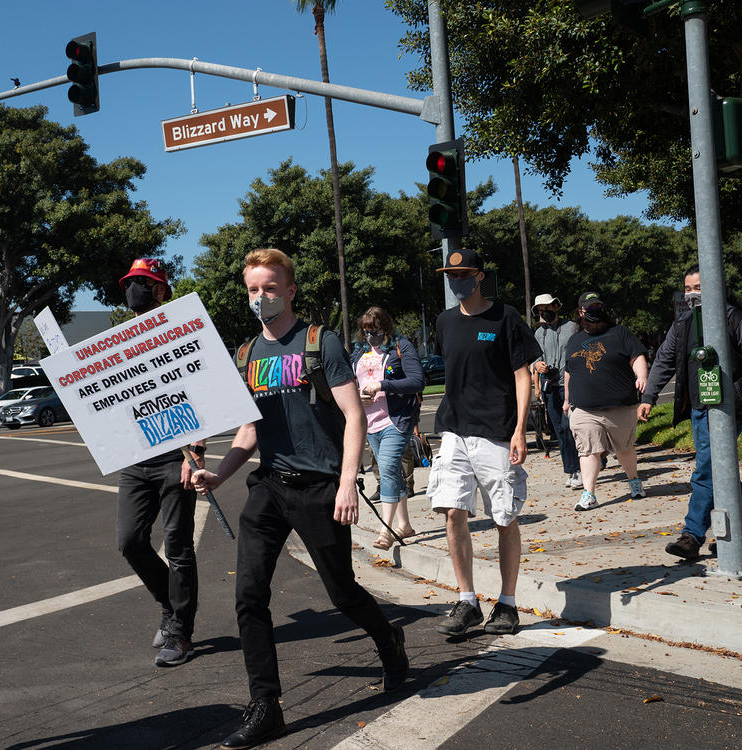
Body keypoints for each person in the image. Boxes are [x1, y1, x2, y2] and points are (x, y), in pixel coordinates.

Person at [192, 249, 409, 749]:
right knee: (249, 596)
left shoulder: (319, 342)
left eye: (269, 288)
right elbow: (249, 428)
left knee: (343, 593)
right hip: (269, 486)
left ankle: (388, 639)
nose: (260, 297)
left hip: (320, 487)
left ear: (289, 291)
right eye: (252, 289)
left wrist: (346, 482)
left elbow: (354, 416)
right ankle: (266, 705)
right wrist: (221, 473)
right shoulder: (246, 354)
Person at [427, 249, 542, 638]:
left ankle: (507, 605)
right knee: (453, 513)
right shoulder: (444, 322)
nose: (455, 280)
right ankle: (467, 601)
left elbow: (521, 375)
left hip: (496, 431)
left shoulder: (505, 317)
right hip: (455, 432)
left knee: (504, 518)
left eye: (462, 274)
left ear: (479, 276)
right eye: (449, 274)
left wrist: (519, 429)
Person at [115, 258, 204, 667]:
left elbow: (204, 392)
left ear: (162, 289)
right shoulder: (118, 341)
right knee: (130, 541)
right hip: (136, 458)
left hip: (176, 457)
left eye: (144, 282)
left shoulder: (180, 331)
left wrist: (196, 453)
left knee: (180, 547)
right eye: (131, 282)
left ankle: (180, 633)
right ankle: (171, 606)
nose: (135, 289)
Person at [638, 267, 742, 560]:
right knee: (713, 470)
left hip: (731, 408)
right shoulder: (682, 325)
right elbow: (664, 361)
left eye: (698, 286)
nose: (692, 293)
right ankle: (725, 534)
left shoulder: (732, 317)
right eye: (687, 288)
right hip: (699, 408)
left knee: (709, 469)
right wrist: (648, 397)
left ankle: (694, 534)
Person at [563, 291, 649, 511]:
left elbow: (637, 356)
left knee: (625, 448)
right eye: (590, 308)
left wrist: (641, 376)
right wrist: (566, 400)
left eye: (598, 307)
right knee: (588, 450)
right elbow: (569, 372)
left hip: (620, 406)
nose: (595, 311)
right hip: (584, 408)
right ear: (580, 312)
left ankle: (634, 480)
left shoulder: (620, 333)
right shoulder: (574, 341)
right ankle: (589, 493)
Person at [350, 306, 425, 549]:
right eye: (366, 331)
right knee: (388, 470)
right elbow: (350, 381)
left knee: (389, 468)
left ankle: (387, 529)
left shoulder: (401, 347)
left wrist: (382, 385)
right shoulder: (359, 351)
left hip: (397, 419)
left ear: (386, 328)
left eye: (376, 331)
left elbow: (417, 381)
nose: (371, 336)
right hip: (370, 422)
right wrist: (357, 396)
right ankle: (404, 524)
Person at [531, 293, 581, 488]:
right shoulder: (538, 333)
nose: (545, 312)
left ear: (556, 306)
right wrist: (538, 366)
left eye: (548, 308)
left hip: (571, 385)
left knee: (571, 428)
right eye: (541, 310)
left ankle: (583, 465)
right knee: (559, 431)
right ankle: (571, 470)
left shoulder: (572, 327)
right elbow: (534, 358)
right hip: (549, 387)